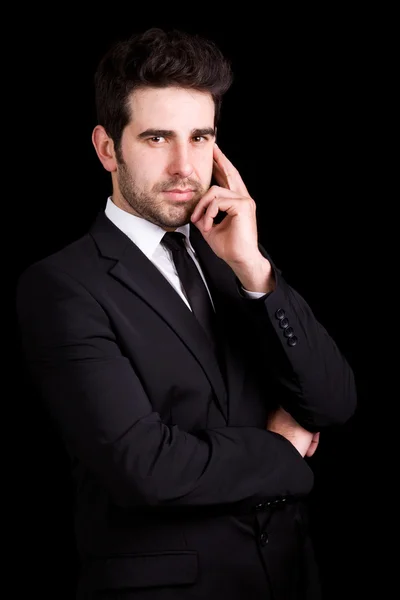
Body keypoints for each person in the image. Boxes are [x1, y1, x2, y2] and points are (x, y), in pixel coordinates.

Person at [15, 27, 357, 600]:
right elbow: (144, 467)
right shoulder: (62, 286)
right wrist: (280, 449)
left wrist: (255, 272)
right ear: (107, 148)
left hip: (289, 581)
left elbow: (333, 402)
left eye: (200, 138)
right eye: (156, 138)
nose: (184, 165)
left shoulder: (236, 255)